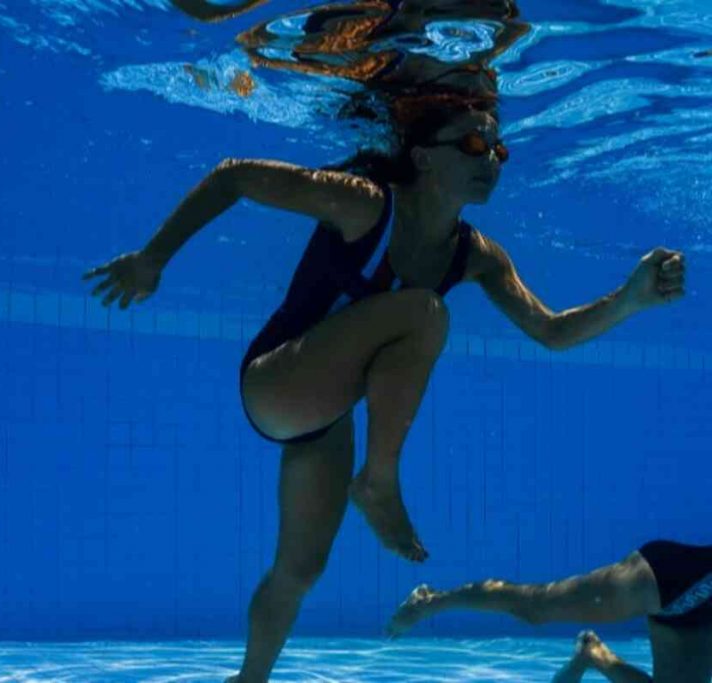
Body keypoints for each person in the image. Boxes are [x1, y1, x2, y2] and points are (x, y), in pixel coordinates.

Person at [82, 93, 685, 682]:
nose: (490, 160)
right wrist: (152, 258)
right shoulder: (365, 206)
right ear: (422, 156)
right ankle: (378, 481)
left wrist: (629, 299)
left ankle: (248, 678)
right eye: (474, 144)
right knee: (425, 312)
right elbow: (234, 176)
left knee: (300, 570)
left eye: (499, 150)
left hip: (326, 413)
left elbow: (551, 332)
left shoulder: (477, 255)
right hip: (276, 379)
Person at [387, 540, 712, 682]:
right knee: (534, 606)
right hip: (661, 578)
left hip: (696, 608)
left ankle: (594, 654)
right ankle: (431, 602)